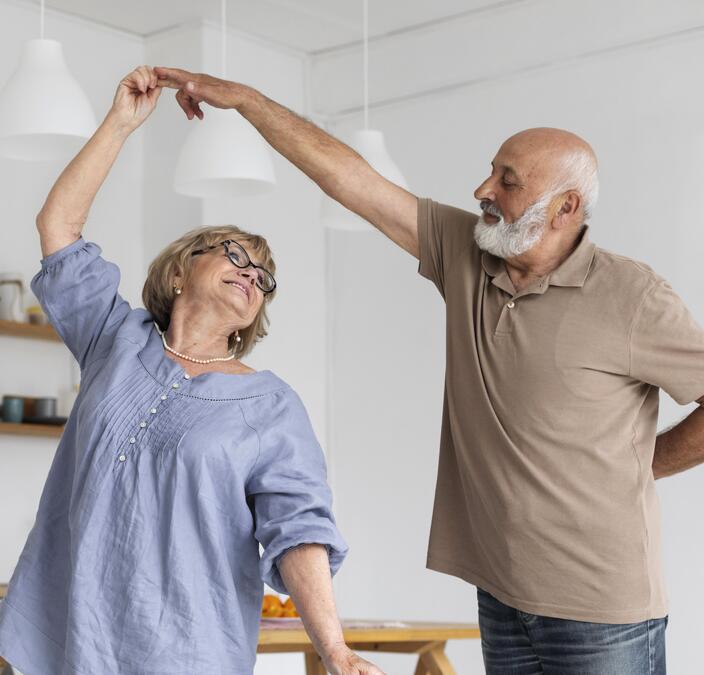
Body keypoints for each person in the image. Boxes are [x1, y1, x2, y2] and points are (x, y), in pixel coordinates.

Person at [151, 67, 704, 674]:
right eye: (491, 170)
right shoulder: (466, 252)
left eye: (507, 180)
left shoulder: (633, 297)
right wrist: (249, 102)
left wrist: (641, 463)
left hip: (602, 610)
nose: (482, 189)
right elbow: (351, 180)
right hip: (500, 593)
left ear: (565, 206)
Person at [0, 66, 383, 675]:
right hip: (66, 642)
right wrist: (121, 124)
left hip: (185, 654)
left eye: (263, 277)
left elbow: (300, 529)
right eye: (234, 256)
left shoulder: (272, 407)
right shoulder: (115, 341)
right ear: (178, 273)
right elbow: (59, 229)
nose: (252, 274)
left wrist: (334, 650)